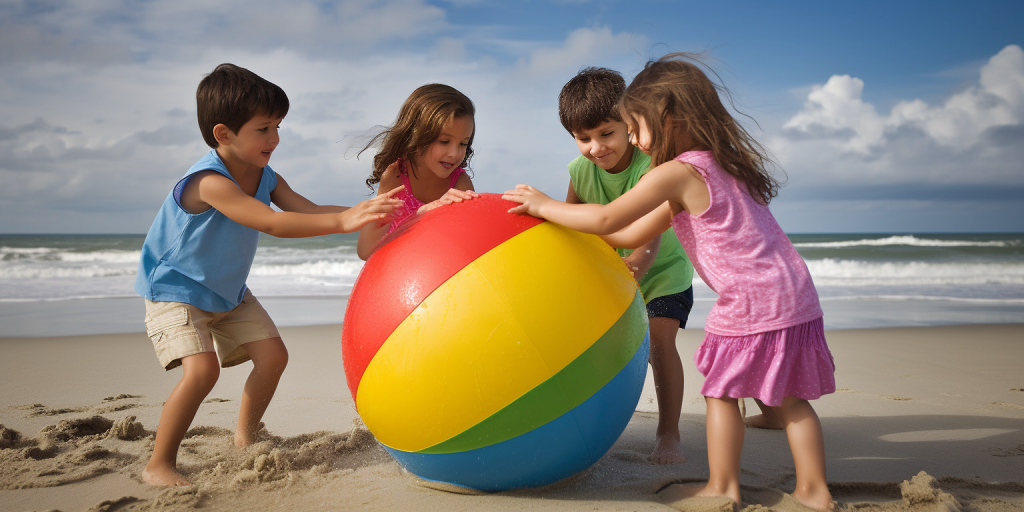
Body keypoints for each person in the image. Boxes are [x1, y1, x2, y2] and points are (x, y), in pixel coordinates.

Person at [503, 53, 836, 511]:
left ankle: (722, 487)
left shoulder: (677, 172)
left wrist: (541, 205)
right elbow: (630, 232)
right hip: (794, 292)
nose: (636, 140)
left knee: (719, 394)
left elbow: (605, 214)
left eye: (636, 127)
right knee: (794, 403)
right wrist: (568, 230)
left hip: (750, 301)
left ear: (671, 121)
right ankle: (815, 492)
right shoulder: (726, 163)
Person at [135, 63, 402, 487]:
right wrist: (346, 222)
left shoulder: (265, 175)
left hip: (227, 291)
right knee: (203, 373)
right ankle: (159, 464)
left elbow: (306, 209)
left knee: (274, 357)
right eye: (263, 129)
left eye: (277, 126)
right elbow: (272, 222)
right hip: (176, 290)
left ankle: (247, 436)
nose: (274, 139)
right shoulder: (208, 182)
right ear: (224, 134)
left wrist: (370, 210)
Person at [557, 67, 695, 464]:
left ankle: (668, 435)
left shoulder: (653, 165)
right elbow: (571, 221)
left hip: (665, 271)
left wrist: (637, 263)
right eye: (583, 138)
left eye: (606, 134)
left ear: (629, 125)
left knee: (658, 343)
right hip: (612, 277)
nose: (596, 148)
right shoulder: (579, 172)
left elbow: (646, 239)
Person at [356, 84, 480, 260]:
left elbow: (467, 246)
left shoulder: (459, 183)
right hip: (398, 273)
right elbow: (365, 250)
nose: (454, 153)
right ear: (417, 135)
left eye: (463, 144)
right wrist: (423, 214)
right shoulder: (396, 176)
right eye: (444, 141)